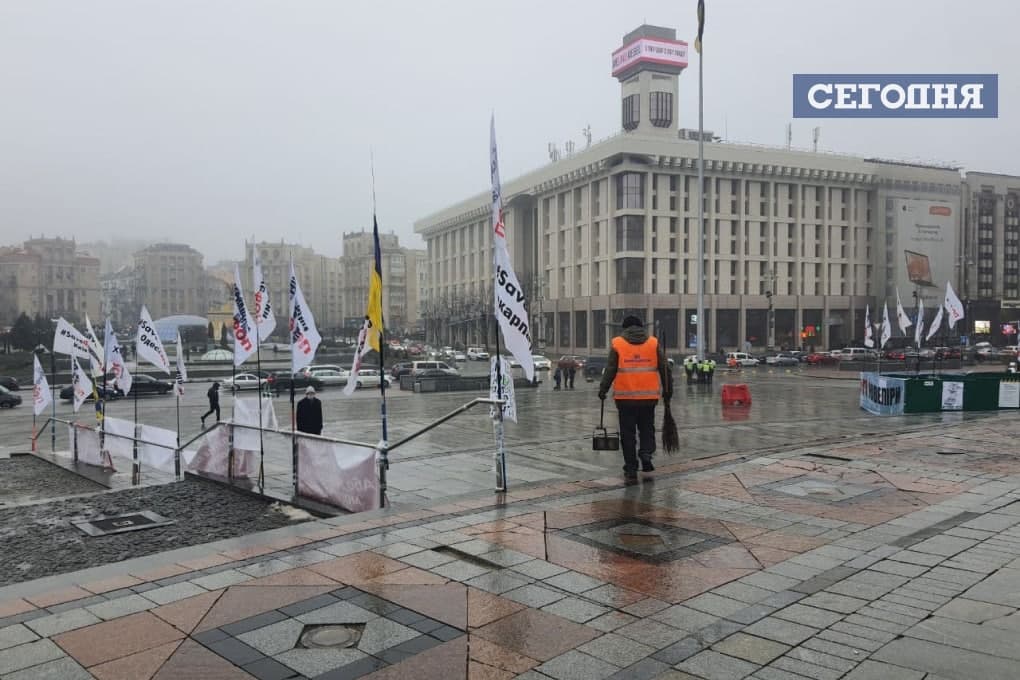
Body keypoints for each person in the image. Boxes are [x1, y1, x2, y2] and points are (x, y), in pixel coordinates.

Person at [598, 316, 671, 481]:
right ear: (641, 327)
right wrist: (668, 391)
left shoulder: (618, 343)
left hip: (625, 400)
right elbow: (665, 368)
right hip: (649, 398)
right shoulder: (653, 343)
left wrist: (603, 389)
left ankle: (631, 468)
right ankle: (646, 453)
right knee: (647, 428)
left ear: (625, 328)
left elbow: (610, 369)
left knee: (628, 433)